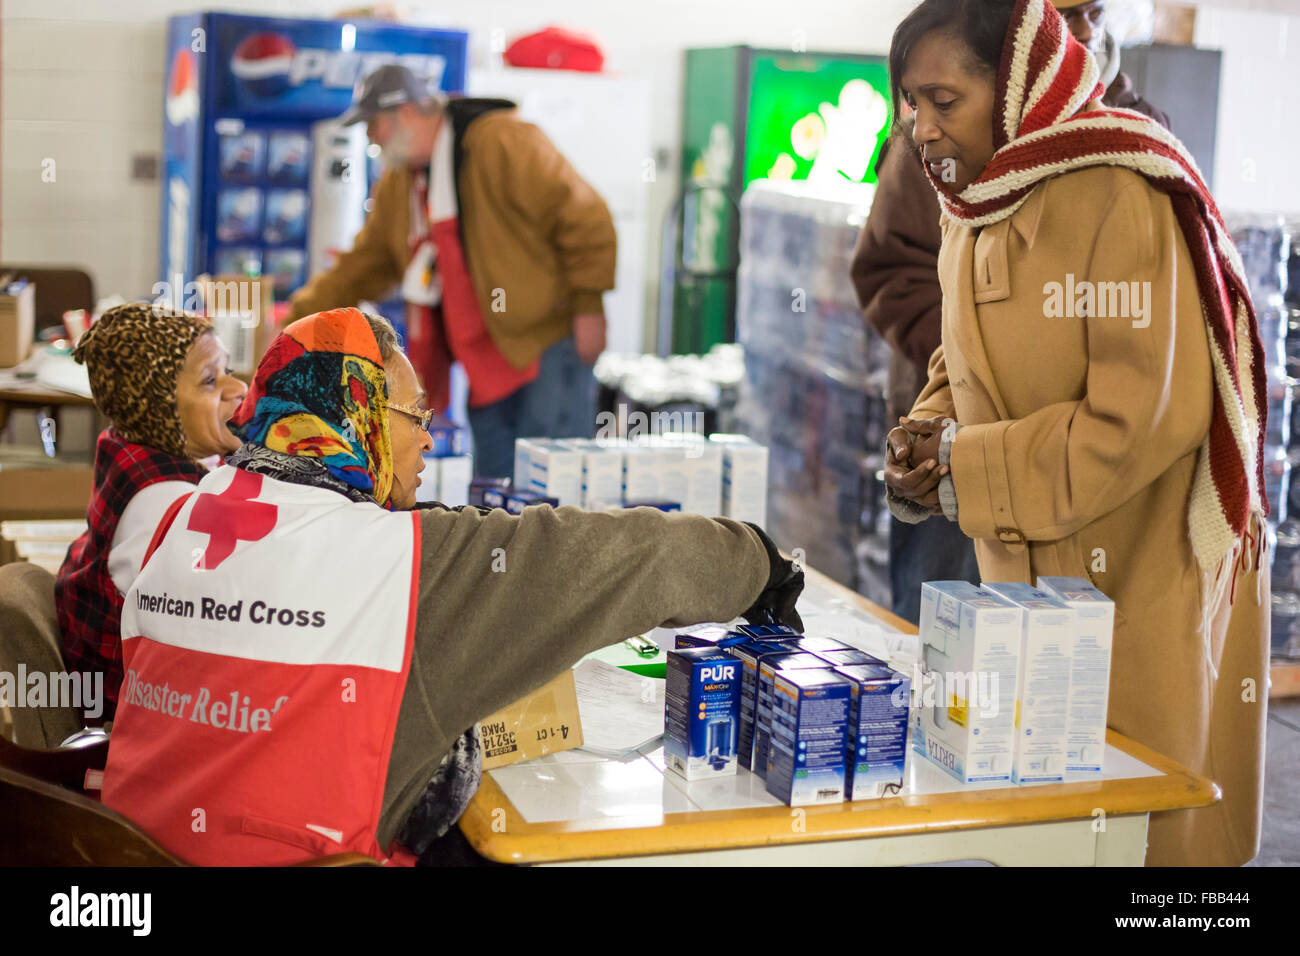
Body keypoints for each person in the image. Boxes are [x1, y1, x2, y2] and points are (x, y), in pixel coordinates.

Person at [99, 307, 802, 865]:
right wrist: (761, 563)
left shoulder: (177, 515)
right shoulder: (398, 562)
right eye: (415, 417)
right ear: (359, 415)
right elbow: (616, 558)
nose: (429, 441)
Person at [882, 0, 1268, 866]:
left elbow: (1143, 421)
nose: (921, 127)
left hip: (1137, 572)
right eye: (911, 103)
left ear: (1014, 86)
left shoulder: (1119, 190)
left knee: (1141, 829)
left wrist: (964, 465)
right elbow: (967, 357)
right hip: (1028, 586)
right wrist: (927, 430)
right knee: (1048, 826)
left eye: (943, 100)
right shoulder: (975, 201)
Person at [850, 0, 1170, 625]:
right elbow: (900, 274)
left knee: (1044, 682)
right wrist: (950, 412)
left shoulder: (1129, 158)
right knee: (943, 655)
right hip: (963, 460)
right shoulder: (952, 149)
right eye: (1058, 11)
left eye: (1089, 14)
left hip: (1071, 487)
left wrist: (975, 439)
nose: (1076, 31)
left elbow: (1141, 413)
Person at [288, 64, 616, 479]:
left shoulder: (502, 140)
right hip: (481, 364)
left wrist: (590, 305)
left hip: (546, 345)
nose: (371, 138)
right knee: (494, 499)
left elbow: (585, 215)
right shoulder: (400, 184)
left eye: (374, 125)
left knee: (552, 491)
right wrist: (300, 320)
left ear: (406, 113)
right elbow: (365, 264)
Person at [55, 303, 247, 723]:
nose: (239, 389)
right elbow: (205, 636)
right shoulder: (168, 503)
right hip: (131, 722)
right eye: (210, 381)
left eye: (228, 370)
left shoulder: (131, 442)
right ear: (159, 407)